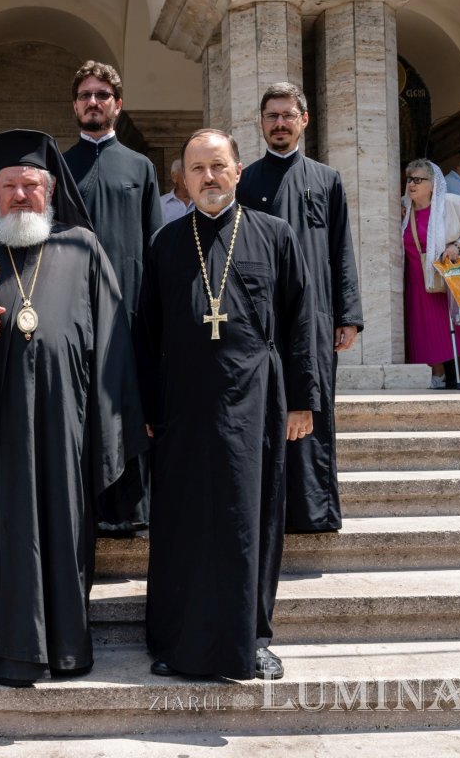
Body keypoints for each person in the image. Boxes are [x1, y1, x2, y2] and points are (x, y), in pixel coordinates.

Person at [0, 129, 147, 687]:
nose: (21, 195)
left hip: (65, 426)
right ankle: (2, 651)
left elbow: (113, 342)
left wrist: (109, 427)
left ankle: (66, 648)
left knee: (64, 532)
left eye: (31, 184)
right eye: (9, 186)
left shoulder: (83, 248)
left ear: (50, 191)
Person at [135, 129, 318, 681]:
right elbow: (146, 332)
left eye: (218, 166)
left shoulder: (275, 234)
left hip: (256, 403)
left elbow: (302, 321)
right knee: (181, 522)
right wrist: (146, 405)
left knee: (251, 519)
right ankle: (172, 639)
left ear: (239, 171)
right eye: (197, 169)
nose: (209, 178)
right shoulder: (166, 243)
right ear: (183, 180)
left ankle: (254, 637)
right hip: (183, 407)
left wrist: (303, 400)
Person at [236, 82, 362, 534]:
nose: (280, 124)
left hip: (318, 317)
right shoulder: (245, 181)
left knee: (314, 409)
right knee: (266, 411)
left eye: (288, 116)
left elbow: (341, 249)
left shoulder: (327, 180)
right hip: (261, 319)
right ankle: (267, 509)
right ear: (262, 123)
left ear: (303, 121)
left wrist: (349, 315)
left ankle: (312, 511)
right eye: (272, 116)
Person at [62, 60, 160, 536]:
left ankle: (131, 511)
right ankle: (84, 508)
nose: (94, 102)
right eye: (86, 95)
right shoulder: (57, 168)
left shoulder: (140, 168)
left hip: (130, 311)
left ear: (118, 105)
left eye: (103, 94)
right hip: (73, 313)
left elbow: (155, 243)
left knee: (128, 409)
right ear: (75, 105)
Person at [402, 159, 460, 389]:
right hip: (419, 276)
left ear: (433, 184)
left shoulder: (452, 203)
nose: (412, 184)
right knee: (428, 326)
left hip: (454, 270)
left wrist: (457, 247)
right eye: (409, 179)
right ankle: (437, 373)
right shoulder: (403, 209)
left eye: (418, 180)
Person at [159, 158, 194, 227]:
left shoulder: (203, 202)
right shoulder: (161, 204)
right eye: (186, 173)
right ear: (174, 177)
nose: (191, 177)